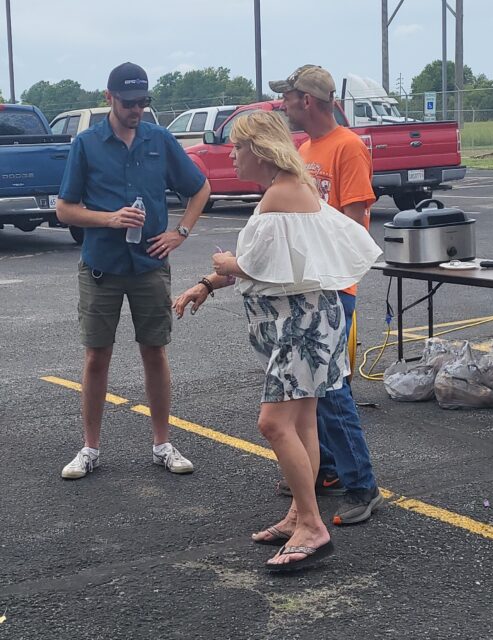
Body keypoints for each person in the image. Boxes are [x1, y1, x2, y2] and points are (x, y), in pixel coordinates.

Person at [173, 111, 381, 572]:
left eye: (237, 146)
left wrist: (226, 264)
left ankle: (311, 526)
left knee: (273, 423)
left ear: (260, 150)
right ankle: (298, 515)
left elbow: (253, 264)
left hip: (301, 326)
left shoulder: (281, 195)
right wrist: (207, 283)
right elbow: (284, 261)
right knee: (303, 421)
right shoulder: (296, 187)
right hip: (310, 319)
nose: (231, 154)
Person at [57, 62, 211, 480]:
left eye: (143, 101)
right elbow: (64, 208)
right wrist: (109, 219)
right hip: (101, 268)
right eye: (129, 102)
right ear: (109, 98)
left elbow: (200, 188)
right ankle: (90, 449)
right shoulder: (86, 144)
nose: (137, 109)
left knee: (154, 351)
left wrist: (180, 232)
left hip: (149, 265)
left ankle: (162, 443)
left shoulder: (159, 139)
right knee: (96, 356)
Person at [268, 64, 383, 525]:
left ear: (308, 101)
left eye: (288, 98)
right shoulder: (307, 148)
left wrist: (322, 269)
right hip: (311, 285)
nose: (283, 105)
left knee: (331, 389)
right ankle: (328, 470)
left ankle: (363, 485)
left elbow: (352, 225)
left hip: (334, 286)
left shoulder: (348, 147)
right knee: (313, 386)